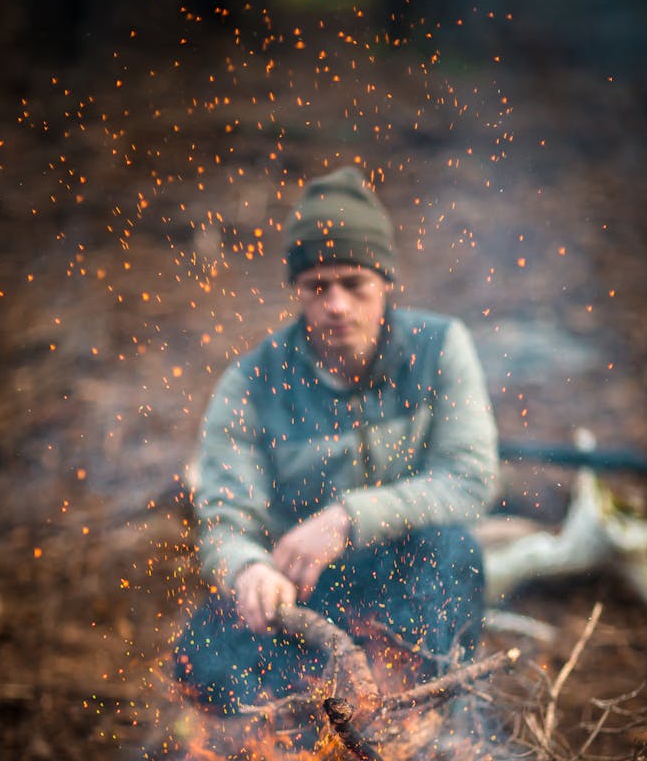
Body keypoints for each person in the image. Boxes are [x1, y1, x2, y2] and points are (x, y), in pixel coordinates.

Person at [174, 166, 499, 714]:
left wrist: (348, 518)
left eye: (354, 283)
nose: (337, 304)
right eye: (317, 287)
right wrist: (248, 567)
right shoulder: (253, 381)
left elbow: (471, 480)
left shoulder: (439, 347)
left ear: (385, 282)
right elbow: (225, 517)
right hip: (306, 594)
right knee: (197, 655)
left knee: (456, 552)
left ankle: (427, 722)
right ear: (297, 291)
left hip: (410, 580)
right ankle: (306, 734)